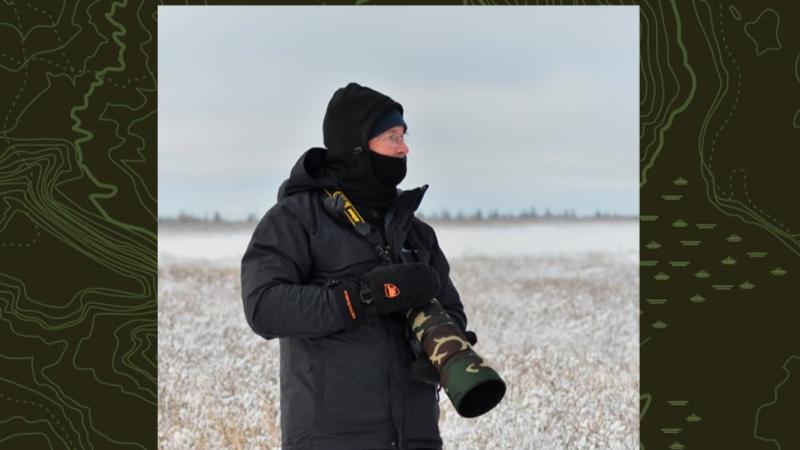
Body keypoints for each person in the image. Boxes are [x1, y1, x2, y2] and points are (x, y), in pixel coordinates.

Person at [241, 82, 474, 450]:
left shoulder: (414, 231)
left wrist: (440, 346)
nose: (404, 148)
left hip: (416, 437)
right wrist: (363, 297)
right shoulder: (296, 220)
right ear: (357, 147)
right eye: (391, 137)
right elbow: (264, 306)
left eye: (403, 136)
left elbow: (452, 309)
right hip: (332, 440)